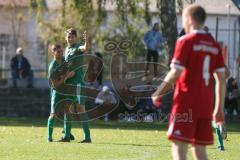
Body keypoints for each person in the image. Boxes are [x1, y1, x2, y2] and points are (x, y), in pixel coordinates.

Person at [152, 4, 226, 160]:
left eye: (184, 19)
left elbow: (175, 73)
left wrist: (158, 92)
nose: (183, 23)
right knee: (200, 150)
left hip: (186, 102)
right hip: (206, 104)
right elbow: (222, 78)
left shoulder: (185, 41)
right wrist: (218, 108)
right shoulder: (214, 46)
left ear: (190, 19)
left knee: (179, 147)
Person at [63, 28, 91, 143]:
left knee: (80, 109)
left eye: (73, 36)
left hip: (78, 84)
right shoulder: (66, 49)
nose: (71, 38)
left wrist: (86, 41)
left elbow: (85, 48)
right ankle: (67, 136)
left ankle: (87, 137)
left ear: (76, 38)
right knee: (67, 110)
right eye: (69, 36)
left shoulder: (78, 47)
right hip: (68, 84)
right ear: (66, 38)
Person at [47, 44, 75, 142]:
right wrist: (67, 77)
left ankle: (67, 136)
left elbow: (71, 67)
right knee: (53, 114)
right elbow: (56, 84)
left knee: (68, 112)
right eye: (57, 50)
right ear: (53, 52)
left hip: (66, 91)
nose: (59, 52)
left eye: (60, 50)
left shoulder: (64, 61)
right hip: (57, 92)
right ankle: (49, 137)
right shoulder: (52, 67)